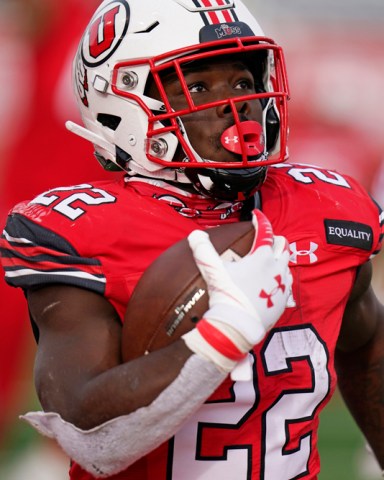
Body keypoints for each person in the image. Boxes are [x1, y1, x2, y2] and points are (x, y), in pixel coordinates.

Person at [0, 0, 383, 479]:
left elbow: (369, 343)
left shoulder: (324, 207)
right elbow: (91, 442)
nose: (236, 103)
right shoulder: (85, 230)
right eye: (197, 86)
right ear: (123, 108)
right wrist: (218, 339)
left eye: (243, 81)